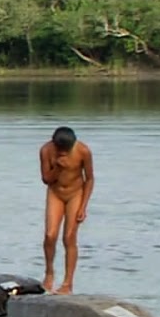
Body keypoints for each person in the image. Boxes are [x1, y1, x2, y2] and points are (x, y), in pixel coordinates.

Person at [40, 126, 94, 295]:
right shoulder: (46, 150)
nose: (63, 153)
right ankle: (49, 273)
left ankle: (67, 283)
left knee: (69, 237)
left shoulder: (83, 151)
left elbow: (89, 179)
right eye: (60, 150)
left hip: (75, 194)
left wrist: (83, 206)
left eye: (66, 150)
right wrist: (58, 167)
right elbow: (46, 179)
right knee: (50, 235)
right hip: (55, 193)